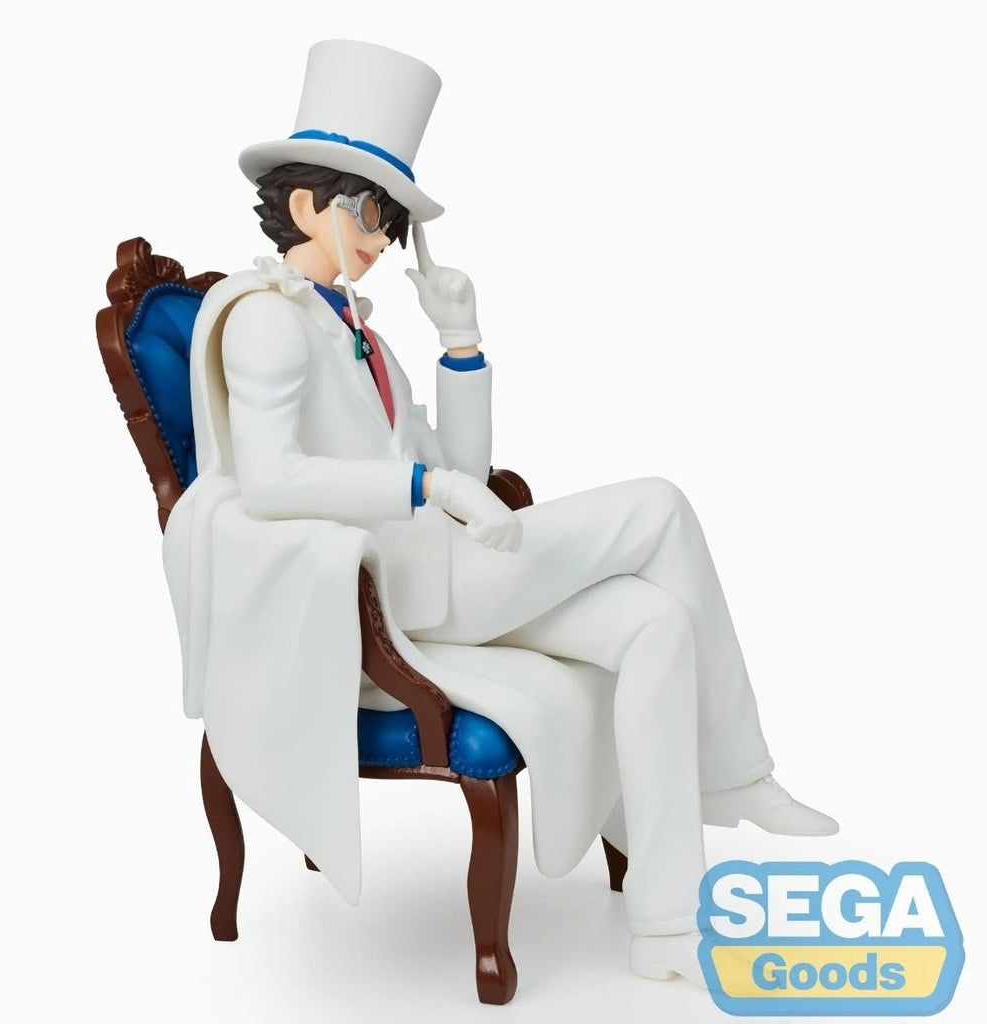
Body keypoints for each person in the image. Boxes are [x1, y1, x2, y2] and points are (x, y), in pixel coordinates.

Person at [164, 39, 837, 986]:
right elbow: (271, 482)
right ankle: (738, 773)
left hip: (443, 570)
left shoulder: (358, 334)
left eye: (393, 221)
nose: (384, 239)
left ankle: (667, 925)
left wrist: (460, 341)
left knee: (655, 624)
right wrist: (423, 489)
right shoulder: (267, 318)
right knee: (659, 505)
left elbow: (464, 468)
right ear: (310, 205)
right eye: (373, 213)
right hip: (392, 591)